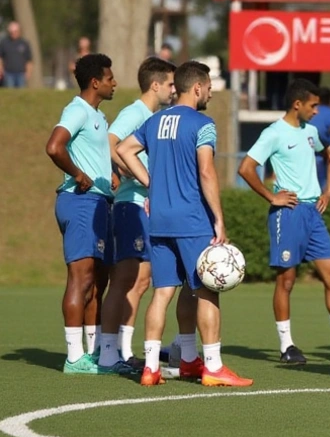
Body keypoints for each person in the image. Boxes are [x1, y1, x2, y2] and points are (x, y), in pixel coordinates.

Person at [118, 60, 252, 387]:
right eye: (208, 88)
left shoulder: (155, 121)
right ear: (196, 88)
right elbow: (206, 171)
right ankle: (214, 367)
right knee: (207, 291)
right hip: (192, 219)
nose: (210, 93)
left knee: (164, 292)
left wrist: (151, 183)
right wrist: (219, 220)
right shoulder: (202, 123)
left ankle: (155, 367)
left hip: (159, 220)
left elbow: (124, 149)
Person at [238, 78, 330, 366]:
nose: (317, 111)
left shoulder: (311, 131)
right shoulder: (273, 133)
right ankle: (287, 346)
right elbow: (246, 168)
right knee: (287, 280)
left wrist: (329, 193)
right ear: (297, 104)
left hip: (312, 214)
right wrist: (271, 197)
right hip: (289, 213)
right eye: (313, 105)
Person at [97, 57, 177, 372]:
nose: (174, 89)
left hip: (144, 205)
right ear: (155, 85)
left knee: (141, 280)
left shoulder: (154, 116)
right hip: (130, 204)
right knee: (124, 278)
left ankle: (124, 350)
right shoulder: (135, 113)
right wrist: (133, 174)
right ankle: (106, 353)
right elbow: (111, 143)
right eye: (170, 84)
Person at [45, 53, 116, 374]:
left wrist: (113, 173)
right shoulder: (77, 110)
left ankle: (96, 353)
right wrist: (76, 173)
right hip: (80, 202)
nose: (115, 83)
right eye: (110, 78)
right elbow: (54, 146)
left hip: (99, 203)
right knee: (81, 278)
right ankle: (75, 357)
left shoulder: (97, 115)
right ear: (95, 82)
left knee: (98, 281)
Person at [1, 20, 33, 88]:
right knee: (10, 93)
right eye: (11, 32)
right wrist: (1, 69)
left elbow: (29, 60)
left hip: (21, 73)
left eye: (15, 32)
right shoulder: (4, 43)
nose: (13, 33)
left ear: (19, 31)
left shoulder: (24, 43)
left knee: (20, 94)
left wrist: (28, 72)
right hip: (8, 73)